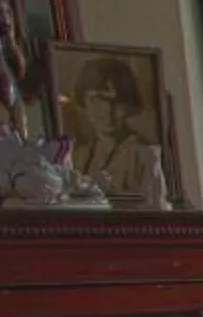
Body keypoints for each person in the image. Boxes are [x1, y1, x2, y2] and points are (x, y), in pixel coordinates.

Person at [68, 56, 161, 205]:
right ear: (83, 102)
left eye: (117, 103)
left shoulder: (144, 155)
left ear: (130, 105)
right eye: (97, 100)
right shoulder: (78, 157)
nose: (107, 111)